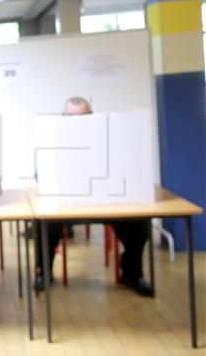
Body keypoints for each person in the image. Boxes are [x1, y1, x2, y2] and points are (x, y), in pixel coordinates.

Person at [34, 97, 153, 297]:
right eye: (71, 117)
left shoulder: (108, 136)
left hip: (105, 203)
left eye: (83, 116)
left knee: (139, 223)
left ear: (91, 116)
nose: (77, 122)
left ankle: (132, 273)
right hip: (67, 206)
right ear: (63, 118)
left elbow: (125, 167)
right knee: (43, 224)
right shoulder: (51, 139)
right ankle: (43, 272)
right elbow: (41, 176)